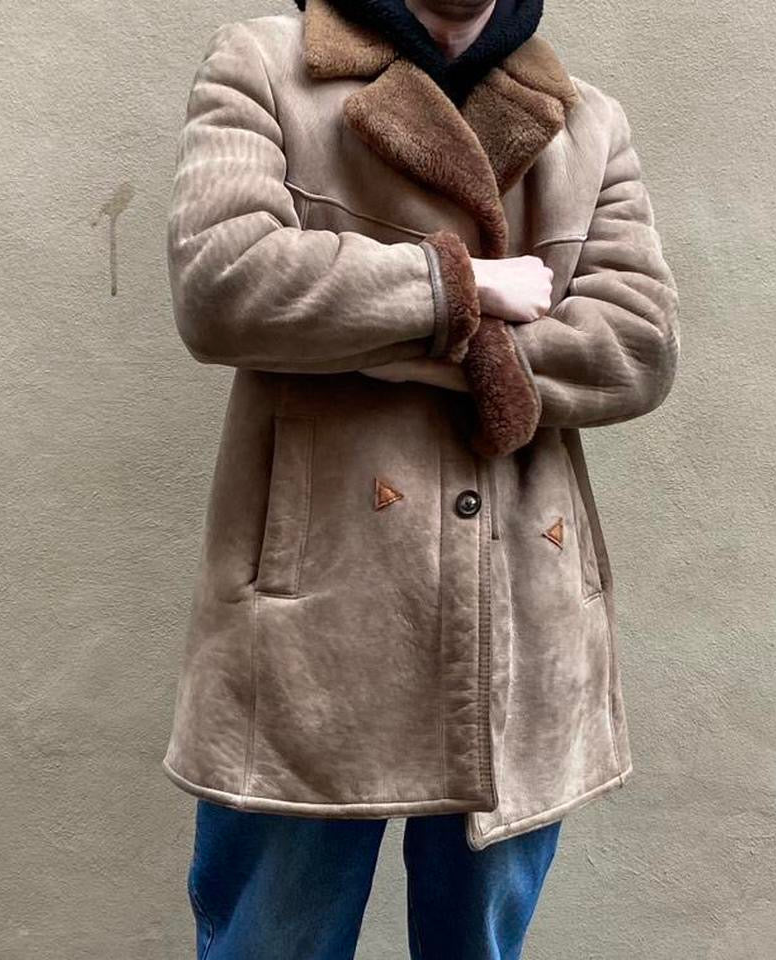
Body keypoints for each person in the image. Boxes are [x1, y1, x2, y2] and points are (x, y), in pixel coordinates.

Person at [162, 0, 680, 957]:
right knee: (272, 940)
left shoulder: (587, 120)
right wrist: (461, 288)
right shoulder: (267, 65)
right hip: (314, 616)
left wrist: (409, 335)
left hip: (520, 615)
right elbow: (224, 281)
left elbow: (637, 345)